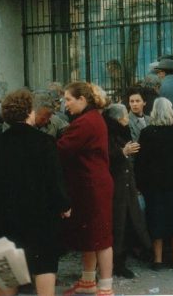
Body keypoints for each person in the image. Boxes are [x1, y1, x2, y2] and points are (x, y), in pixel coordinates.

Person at [0, 89, 70, 296]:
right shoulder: (45, 142)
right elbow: (54, 180)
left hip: (5, 216)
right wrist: (64, 205)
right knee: (44, 264)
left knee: (9, 268)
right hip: (41, 215)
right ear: (30, 112)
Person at [57, 82, 115, 296]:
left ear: (82, 99)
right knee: (91, 235)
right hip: (92, 184)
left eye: (68, 99)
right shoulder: (92, 119)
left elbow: (62, 148)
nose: (65, 105)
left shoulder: (85, 122)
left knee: (100, 236)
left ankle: (106, 287)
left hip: (92, 186)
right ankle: (88, 281)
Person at [135, 97, 173, 271]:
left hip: (154, 186)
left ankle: (158, 260)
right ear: (171, 109)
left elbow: (140, 163)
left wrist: (141, 185)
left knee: (156, 223)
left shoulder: (147, 132)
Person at [103, 104, 151, 279]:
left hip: (126, 183)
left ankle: (121, 261)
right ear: (118, 118)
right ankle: (117, 263)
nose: (127, 119)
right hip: (117, 185)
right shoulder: (110, 133)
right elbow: (106, 157)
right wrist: (123, 152)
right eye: (124, 116)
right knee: (118, 223)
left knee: (126, 223)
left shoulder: (121, 131)